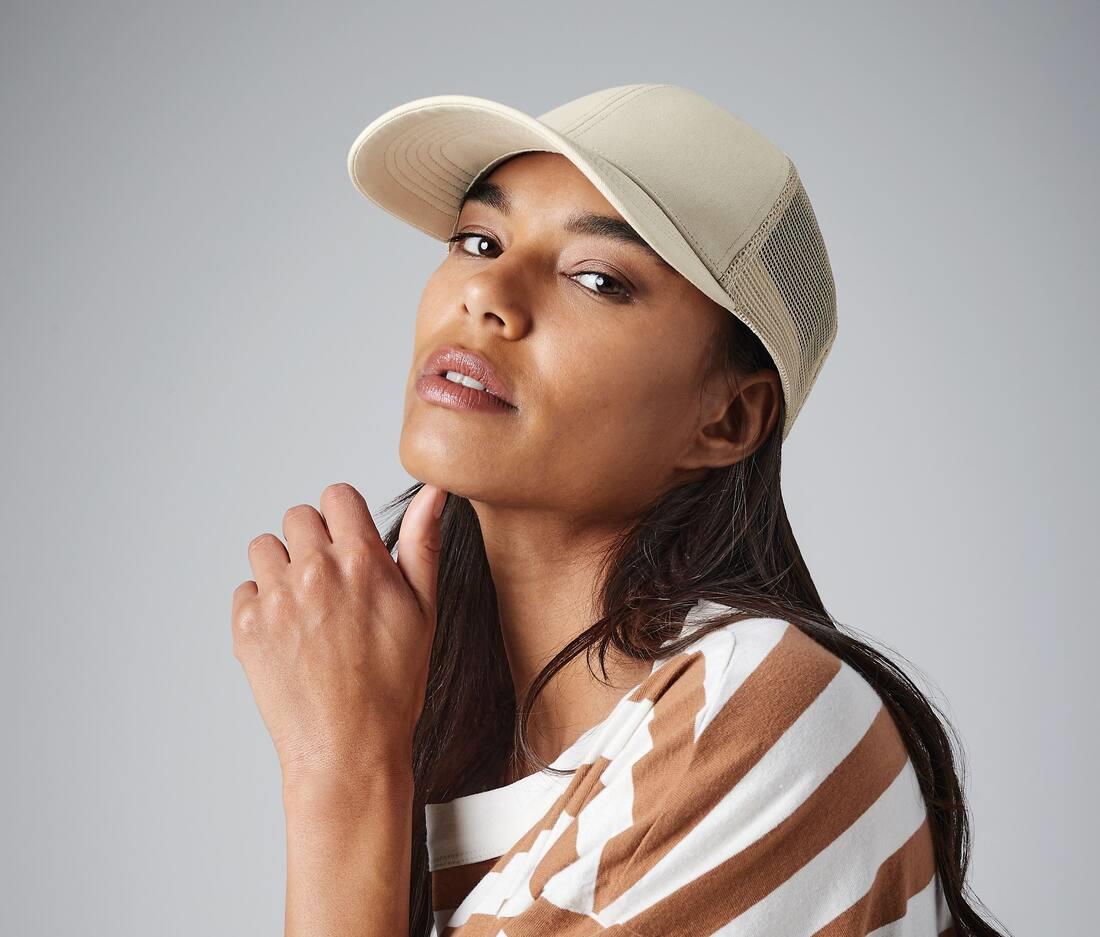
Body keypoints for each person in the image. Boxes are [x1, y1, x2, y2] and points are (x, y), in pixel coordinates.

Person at [232, 85, 1010, 936]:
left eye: (598, 279)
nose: (487, 292)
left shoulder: (748, 711)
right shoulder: (431, 745)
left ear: (727, 418)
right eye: (479, 239)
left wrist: (339, 770)